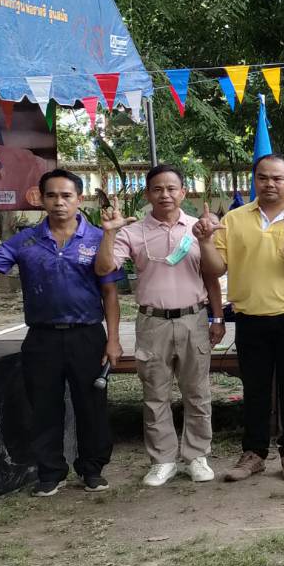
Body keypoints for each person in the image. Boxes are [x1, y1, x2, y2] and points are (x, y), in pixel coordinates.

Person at [0, 174, 123, 495]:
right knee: (43, 406)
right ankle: (50, 473)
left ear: (79, 199)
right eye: (51, 195)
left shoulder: (97, 237)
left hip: (87, 335)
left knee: (91, 406)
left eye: (66, 195)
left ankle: (92, 469)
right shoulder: (25, 241)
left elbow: (110, 294)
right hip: (42, 337)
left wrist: (113, 339)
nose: (59, 202)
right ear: (41, 200)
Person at [96, 165, 224, 487]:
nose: (165, 194)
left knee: (197, 391)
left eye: (171, 188)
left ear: (183, 192)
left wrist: (218, 317)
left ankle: (197, 455)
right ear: (147, 194)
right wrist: (109, 233)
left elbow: (214, 275)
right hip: (152, 321)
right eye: (157, 189)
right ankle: (163, 460)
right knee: (155, 394)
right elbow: (104, 268)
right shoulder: (132, 232)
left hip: (194, 318)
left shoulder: (198, 227)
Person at [197, 154, 284, 482]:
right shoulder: (234, 219)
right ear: (255, 181)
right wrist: (205, 241)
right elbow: (216, 268)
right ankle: (253, 453)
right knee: (255, 388)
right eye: (262, 177)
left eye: (277, 178)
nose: (269, 184)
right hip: (250, 317)